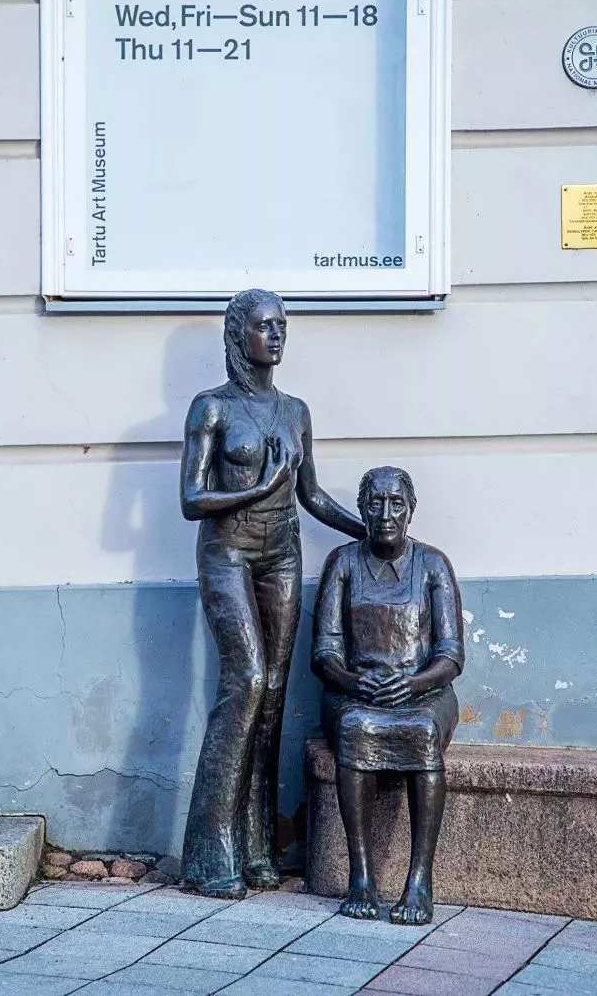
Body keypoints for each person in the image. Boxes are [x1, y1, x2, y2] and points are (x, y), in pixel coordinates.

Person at [180, 288, 365, 899]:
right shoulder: (211, 408)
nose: (277, 334)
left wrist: (368, 532)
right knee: (247, 682)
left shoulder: (295, 411)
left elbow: (310, 494)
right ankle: (209, 854)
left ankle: (258, 849)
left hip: (282, 554)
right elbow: (191, 501)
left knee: (275, 694)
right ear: (239, 335)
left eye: (282, 324)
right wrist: (260, 487)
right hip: (227, 553)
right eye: (265, 325)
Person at [312, 466, 464, 924]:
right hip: (353, 692)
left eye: (396, 503)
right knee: (355, 728)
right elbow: (324, 653)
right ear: (361, 510)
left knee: (422, 730)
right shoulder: (343, 563)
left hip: (424, 691)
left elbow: (451, 655)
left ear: (410, 510)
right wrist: (353, 681)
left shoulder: (433, 565)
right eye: (375, 503)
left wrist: (414, 684)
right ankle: (361, 878)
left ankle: (419, 881)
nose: (385, 514)